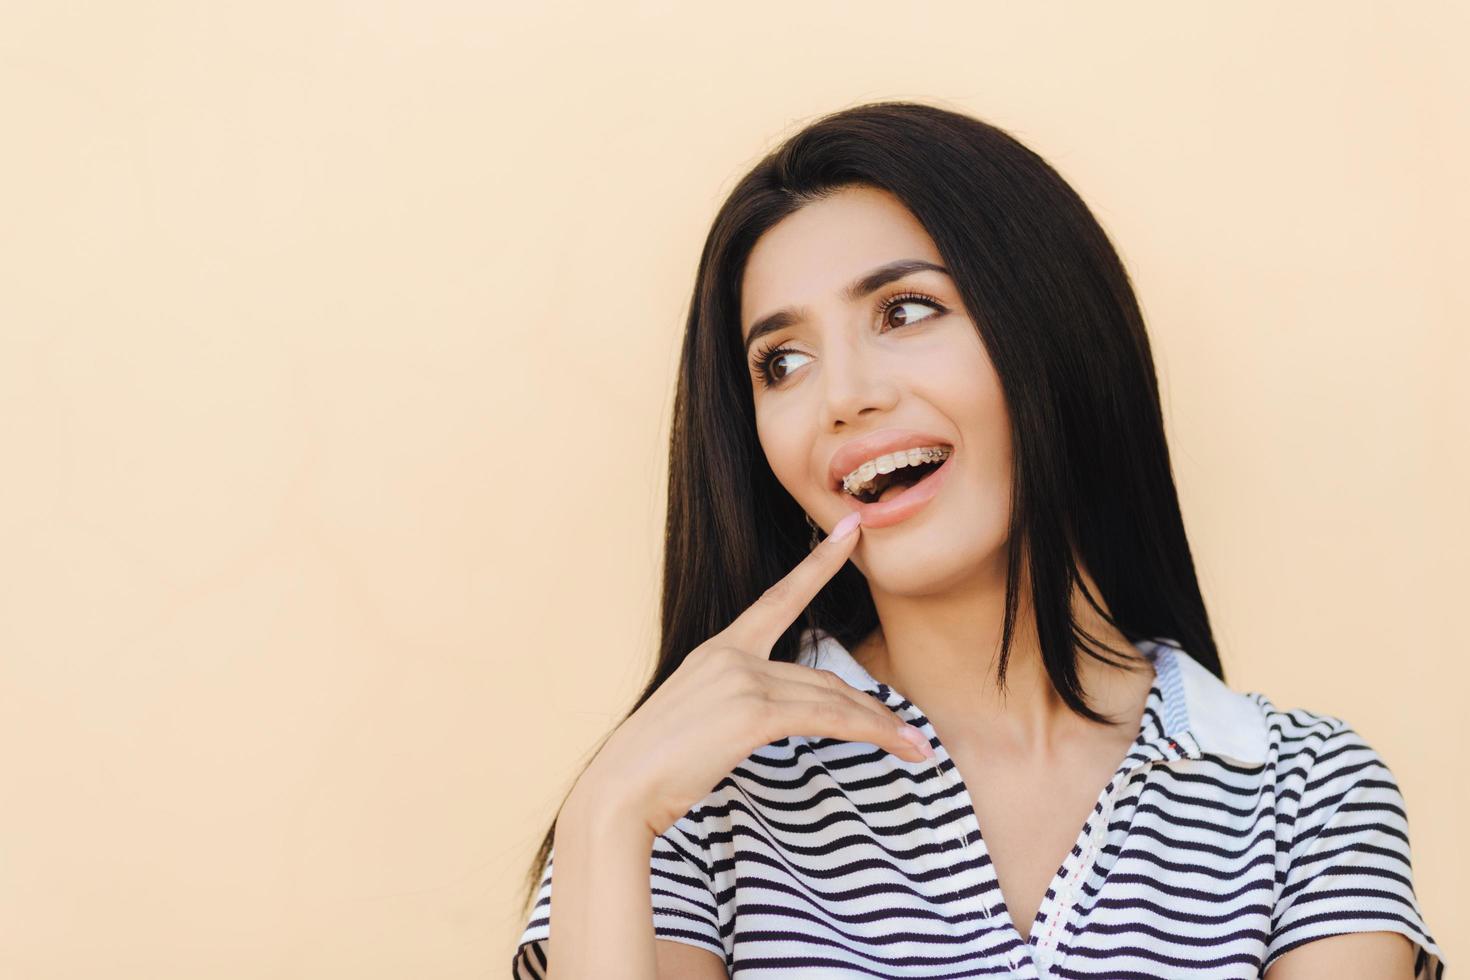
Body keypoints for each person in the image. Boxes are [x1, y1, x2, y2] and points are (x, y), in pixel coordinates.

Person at [510, 101, 1446, 979]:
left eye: (905, 311)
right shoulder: (683, 801)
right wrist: (604, 815)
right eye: (781, 362)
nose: (843, 396)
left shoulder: (1307, 794)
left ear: (1050, 327)